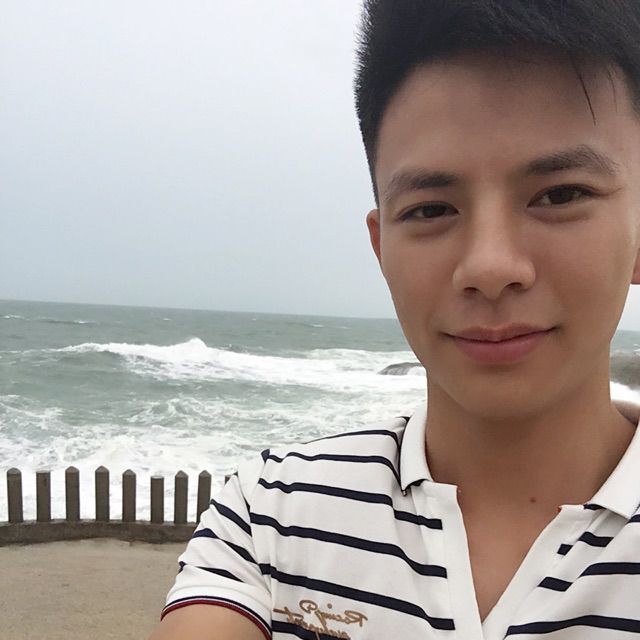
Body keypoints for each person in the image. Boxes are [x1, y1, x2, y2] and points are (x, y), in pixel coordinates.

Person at [149, 1, 640, 638]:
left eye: (560, 195)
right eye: (431, 209)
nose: (489, 267)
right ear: (381, 249)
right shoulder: (270, 515)